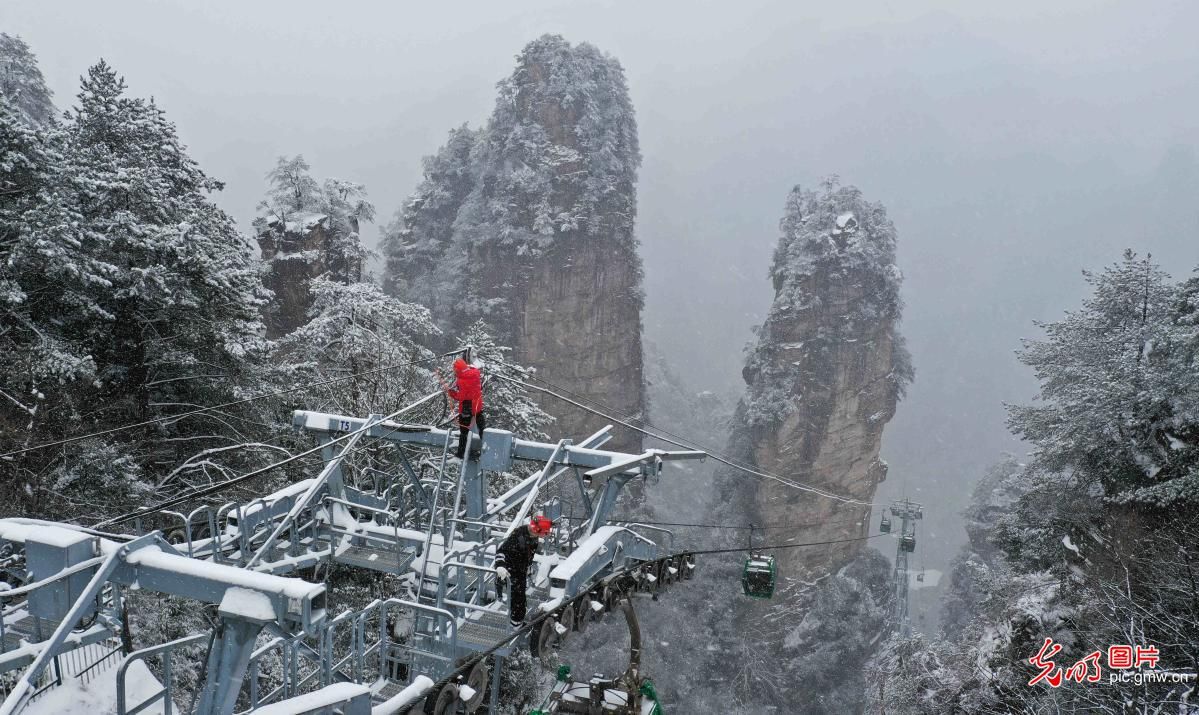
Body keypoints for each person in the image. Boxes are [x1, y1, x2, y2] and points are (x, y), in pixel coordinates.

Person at [495, 515, 553, 627]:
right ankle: (516, 624)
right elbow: (501, 552)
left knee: (520, 598)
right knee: (517, 599)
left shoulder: (533, 537)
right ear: (537, 530)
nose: (542, 536)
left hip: (520, 571)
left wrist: (528, 567)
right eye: (542, 533)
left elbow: (528, 555)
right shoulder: (518, 537)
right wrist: (500, 566)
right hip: (510, 571)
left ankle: (517, 621)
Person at [446, 357, 486, 459]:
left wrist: (451, 393)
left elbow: (461, 397)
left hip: (467, 408)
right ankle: (486, 447)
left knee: (464, 432)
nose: (454, 372)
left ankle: (461, 453)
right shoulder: (475, 372)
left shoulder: (462, 380)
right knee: (482, 428)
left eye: (454, 370)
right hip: (477, 406)